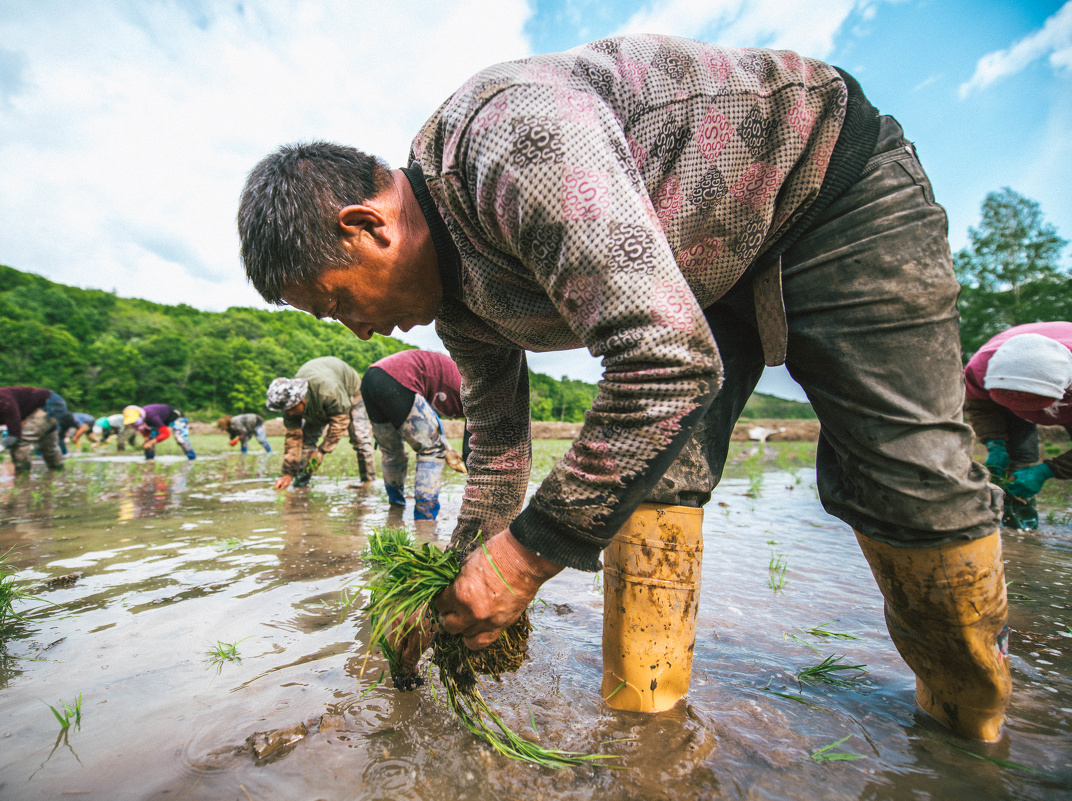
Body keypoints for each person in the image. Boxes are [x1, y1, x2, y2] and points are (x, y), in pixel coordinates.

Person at [237, 36, 1009, 740]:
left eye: (337, 300)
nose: (358, 332)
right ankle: (647, 736)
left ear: (366, 225)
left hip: (825, 185)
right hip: (696, 265)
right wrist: (455, 591)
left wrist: (523, 561)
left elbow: (663, 361)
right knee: (651, 482)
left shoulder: (511, 144)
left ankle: (968, 738)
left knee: (907, 477)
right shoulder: (460, 308)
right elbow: (501, 451)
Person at [964, 322, 1072, 531]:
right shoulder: (980, 370)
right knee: (1018, 458)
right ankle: (1017, 522)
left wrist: (1049, 470)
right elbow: (980, 405)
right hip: (1009, 386)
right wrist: (994, 441)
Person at [362, 349, 467, 519]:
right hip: (398, 379)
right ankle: (425, 520)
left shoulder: (450, 379)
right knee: (432, 451)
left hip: (371, 378)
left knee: (391, 453)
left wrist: (447, 448)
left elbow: (429, 418)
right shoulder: (472, 389)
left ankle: (395, 510)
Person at [265, 356, 375, 489]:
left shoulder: (327, 391)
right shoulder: (287, 405)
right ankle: (301, 484)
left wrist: (322, 450)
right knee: (306, 443)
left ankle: (368, 481)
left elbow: (340, 422)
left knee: (359, 438)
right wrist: (288, 473)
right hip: (318, 404)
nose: (290, 414)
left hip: (350, 393)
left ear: (301, 399)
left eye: (292, 409)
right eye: (286, 410)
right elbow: (293, 439)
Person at [123, 404, 196, 461]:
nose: (134, 423)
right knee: (149, 439)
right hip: (161, 419)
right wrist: (146, 440)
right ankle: (149, 460)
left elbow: (166, 434)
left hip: (175, 416)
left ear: (139, 416)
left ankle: (192, 459)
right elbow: (145, 431)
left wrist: (150, 443)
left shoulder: (151, 416)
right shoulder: (138, 423)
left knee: (180, 438)